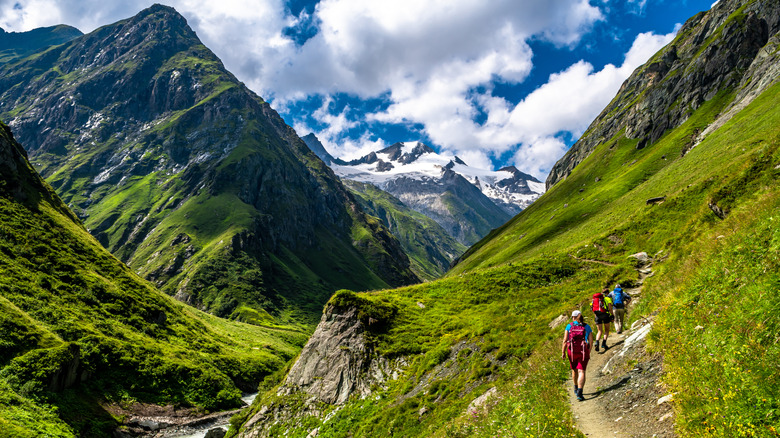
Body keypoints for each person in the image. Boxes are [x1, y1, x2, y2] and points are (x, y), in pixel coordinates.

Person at [562, 310, 593, 401]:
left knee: (574, 370)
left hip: (571, 351)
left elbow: (565, 340)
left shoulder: (569, 326)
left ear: (573, 317)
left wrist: (563, 352)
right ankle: (580, 392)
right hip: (583, 351)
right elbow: (590, 341)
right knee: (581, 371)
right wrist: (588, 351)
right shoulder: (586, 326)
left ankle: (575, 387)